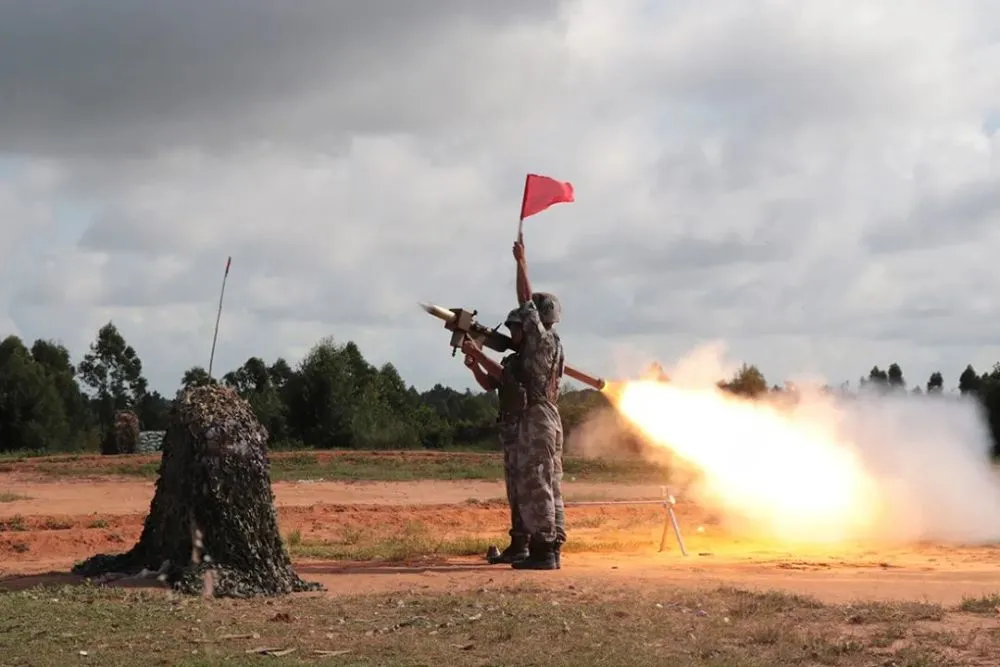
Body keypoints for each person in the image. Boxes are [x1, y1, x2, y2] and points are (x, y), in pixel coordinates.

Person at [508, 237, 566, 570]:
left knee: (537, 481)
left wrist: (521, 262)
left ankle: (543, 551)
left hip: (538, 417)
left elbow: (524, 300)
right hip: (551, 416)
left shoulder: (541, 340)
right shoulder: (556, 345)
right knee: (551, 481)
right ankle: (552, 546)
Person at [460, 310, 529, 564]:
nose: (512, 335)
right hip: (512, 432)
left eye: (516, 330)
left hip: (526, 432)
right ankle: (519, 543)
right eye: (510, 330)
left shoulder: (529, 361)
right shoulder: (512, 359)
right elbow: (491, 384)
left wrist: (479, 353)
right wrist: (475, 365)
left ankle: (535, 544)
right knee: (515, 491)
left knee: (526, 490)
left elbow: (504, 377)